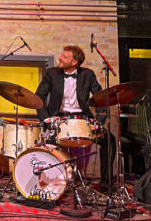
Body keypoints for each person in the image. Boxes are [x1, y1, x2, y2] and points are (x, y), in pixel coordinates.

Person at [35, 45, 114, 190]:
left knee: (110, 141)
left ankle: (106, 183)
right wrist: (46, 118)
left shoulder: (88, 75)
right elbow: (38, 97)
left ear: (74, 62)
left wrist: (98, 122)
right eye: (61, 55)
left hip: (82, 119)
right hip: (59, 119)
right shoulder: (52, 73)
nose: (60, 58)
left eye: (64, 57)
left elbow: (101, 99)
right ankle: (51, 184)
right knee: (49, 146)